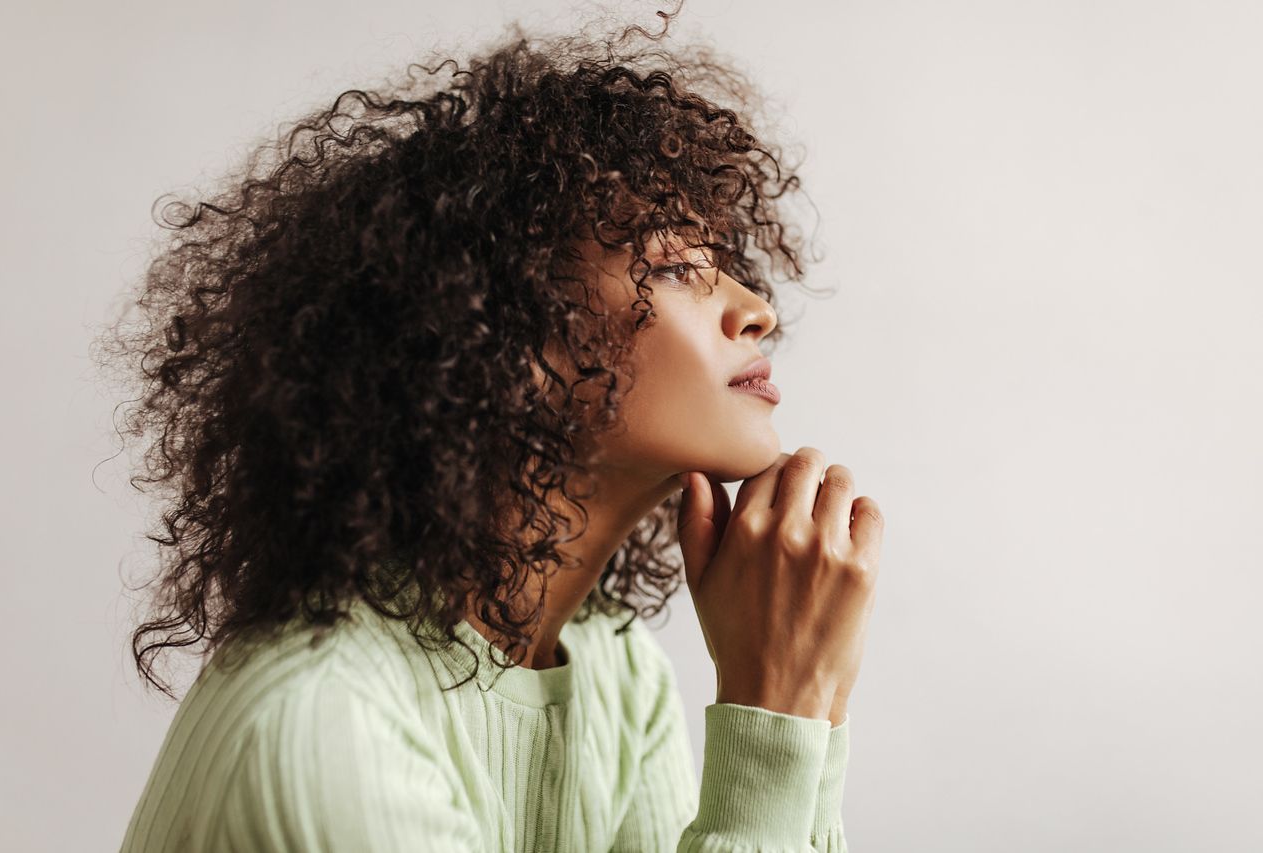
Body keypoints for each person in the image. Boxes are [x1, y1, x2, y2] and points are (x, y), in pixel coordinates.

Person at [101, 4, 884, 851]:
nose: (757, 310)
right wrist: (771, 713)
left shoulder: (614, 671)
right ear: (500, 339)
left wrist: (811, 704)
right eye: (670, 266)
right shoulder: (324, 727)